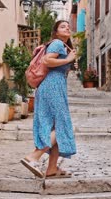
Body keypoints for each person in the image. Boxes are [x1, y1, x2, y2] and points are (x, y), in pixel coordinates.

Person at [20, 20, 77, 179]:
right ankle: (33, 157)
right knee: (62, 126)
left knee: (56, 126)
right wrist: (67, 60)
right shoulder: (58, 43)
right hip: (52, 87)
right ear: (56, 31)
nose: (67, 28)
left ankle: (51, 169)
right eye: (62, 26)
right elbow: (47, 60)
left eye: (68, 26)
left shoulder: (63, 46)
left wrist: (69, 61)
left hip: (51, 87)